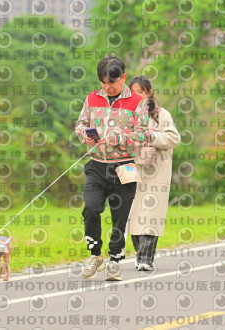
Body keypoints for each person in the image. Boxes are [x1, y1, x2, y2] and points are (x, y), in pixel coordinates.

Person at [75, 56, 153, 281]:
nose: (107, 87)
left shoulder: (137, 102)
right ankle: (95, 255)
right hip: (96, 165)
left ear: (123, 78)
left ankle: (115, 260)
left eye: (112, 82)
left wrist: (118, 138)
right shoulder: (92, 98)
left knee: (120, 216)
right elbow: (80, 124)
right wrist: (84, 135)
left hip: (125, 166)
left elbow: (143, 134)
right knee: (90, 208)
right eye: (103, 83)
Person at [126, 76, 181, 271]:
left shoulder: (162, 114)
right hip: (131, 169)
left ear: (149, 93)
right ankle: (139, 253)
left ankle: (145, 259)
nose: (137, 96)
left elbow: (174, 138)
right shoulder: (126, 115)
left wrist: (151, 135)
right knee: (132, 215)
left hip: (156, 172)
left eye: (141, 92)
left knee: (151, 216)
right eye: (133, 92)